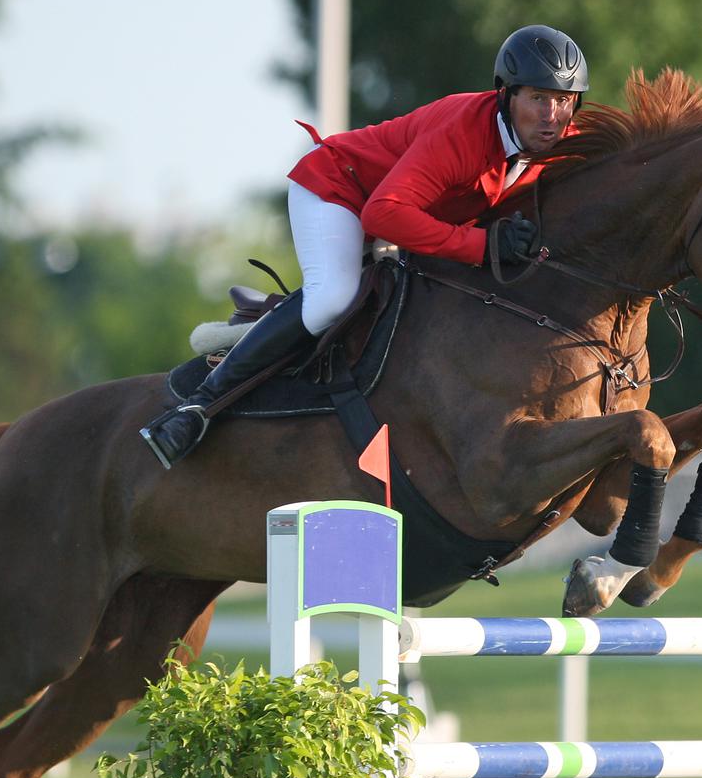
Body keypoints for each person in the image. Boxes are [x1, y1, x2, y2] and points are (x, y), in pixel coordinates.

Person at [140, 24, 589, 469]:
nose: (552, 115)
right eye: (538, 98)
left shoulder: (562, 143)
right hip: (339, 191)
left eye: (563, 100)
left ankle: (271, 324)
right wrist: (482, 244)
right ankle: (194, 409)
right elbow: (383, 214)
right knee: (332, 300)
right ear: (506, 95)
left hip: (399, 219)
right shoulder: (463, 133)